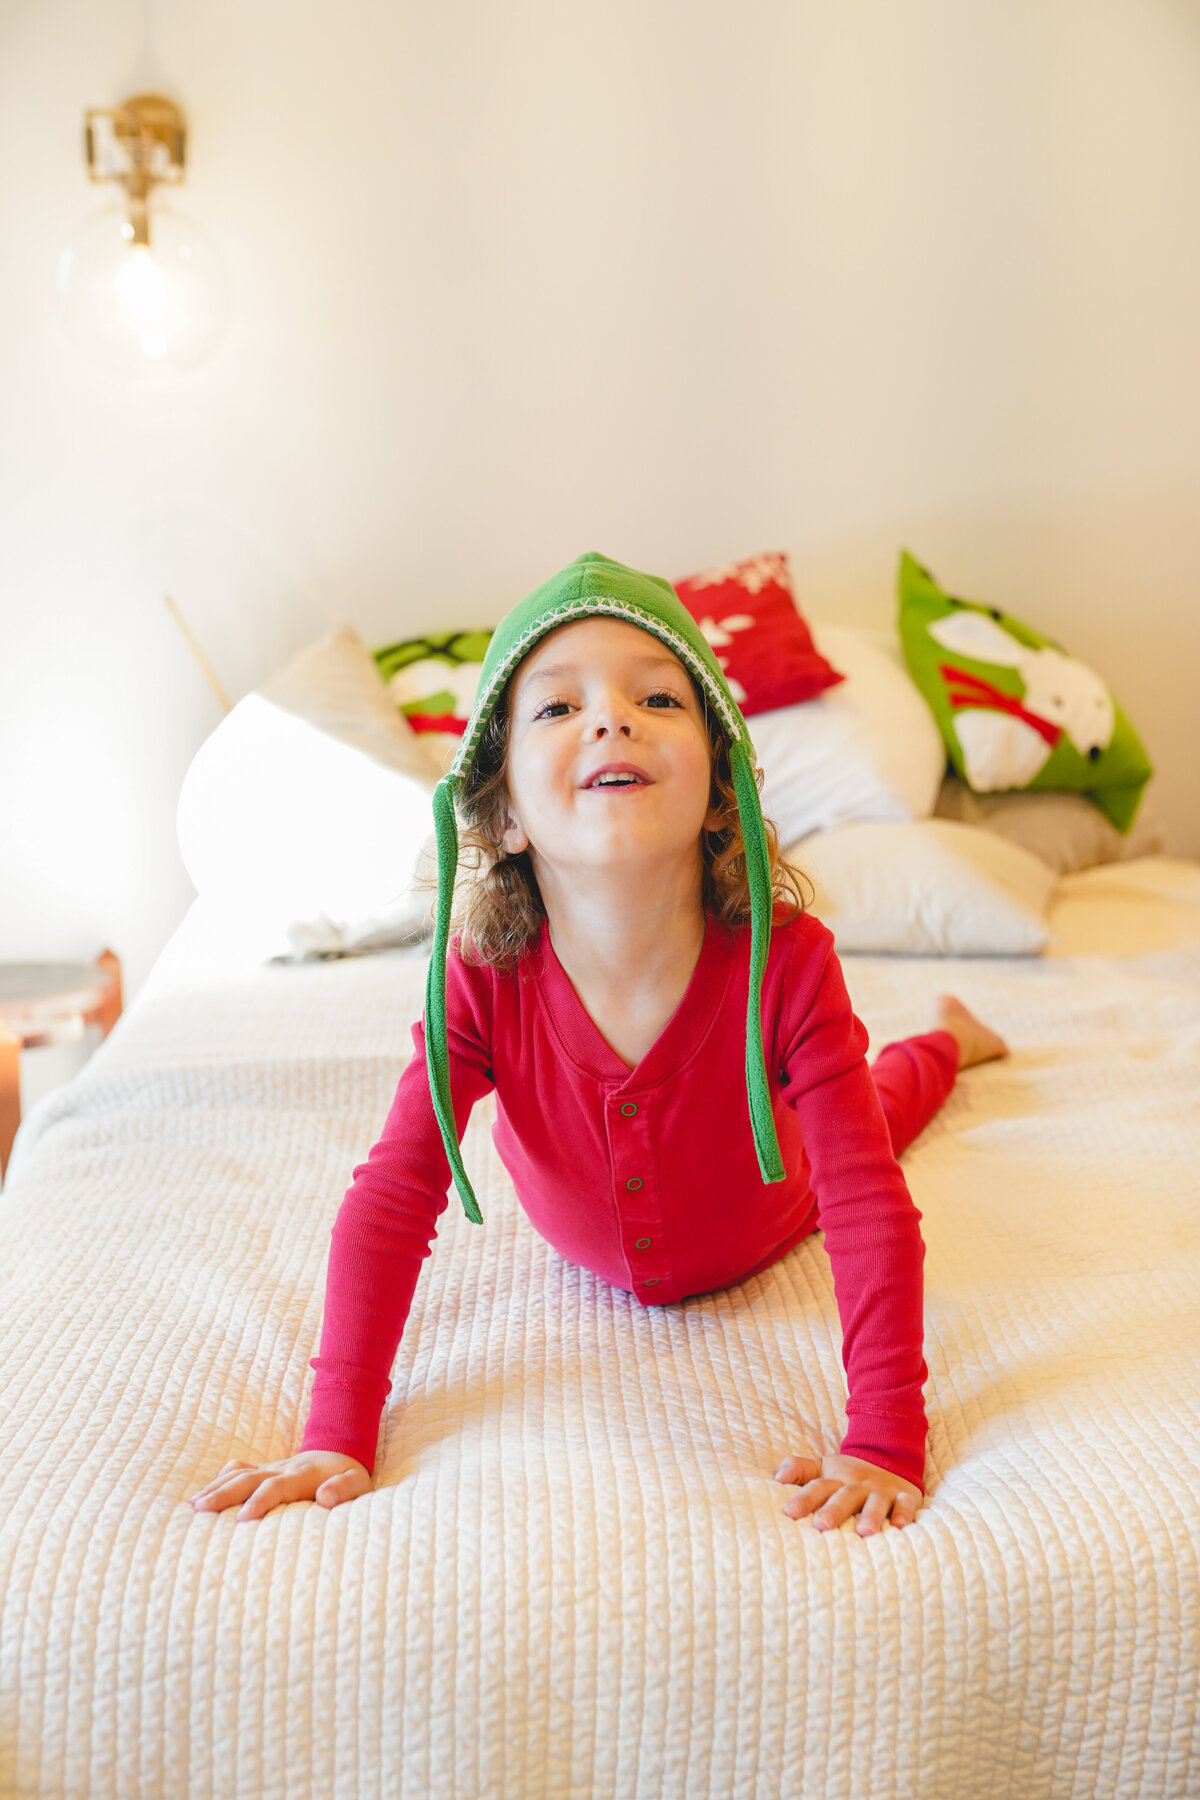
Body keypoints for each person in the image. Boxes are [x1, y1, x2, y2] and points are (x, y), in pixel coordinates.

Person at [189, 551, 1008, 1536]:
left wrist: (884, 1438)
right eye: (556, 709)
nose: (611, 718)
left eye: (658, 698)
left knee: (879, 1111)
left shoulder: (788, 963)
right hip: (578, 1227)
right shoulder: (482, 976)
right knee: (868, 1105)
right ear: (503, 815)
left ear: (720, 794)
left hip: (770, 1210)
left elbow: (867, 1205)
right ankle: (941, 1046)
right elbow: (394, 1195)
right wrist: (336, 1432)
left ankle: (948, 1044)